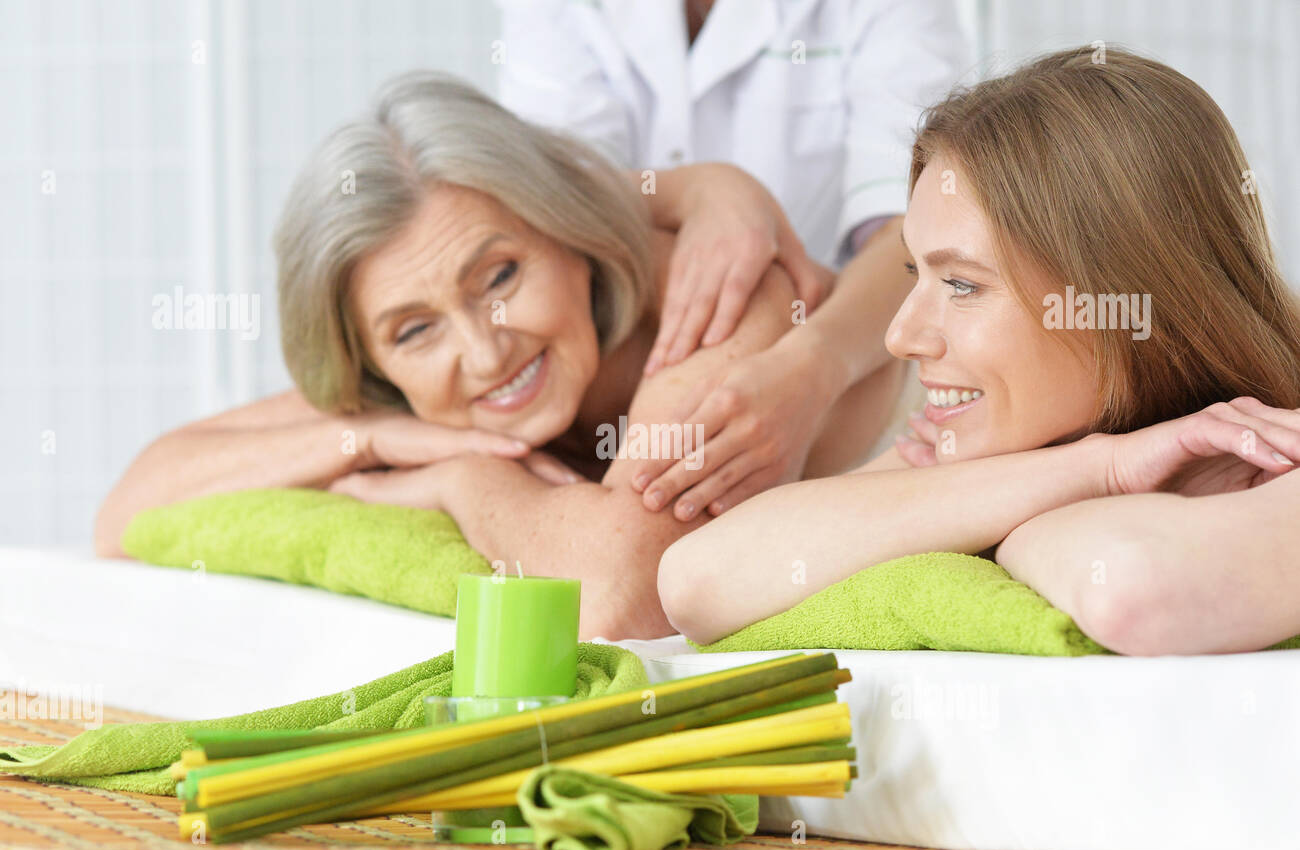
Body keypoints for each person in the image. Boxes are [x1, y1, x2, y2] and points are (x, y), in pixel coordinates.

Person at [95, 73, 887, 640]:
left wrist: (459, 475)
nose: (482, 351)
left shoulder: (712, 296)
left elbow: (620, 592)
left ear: (569, 232)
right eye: (412, 332)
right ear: (373, 360)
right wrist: (364, 439)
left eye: (501, 276)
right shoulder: (412, 374)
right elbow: (127, 513)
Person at [657, 47, 1300, 655]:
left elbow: (1132, 591)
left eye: (962, 284)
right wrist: (1096, 469)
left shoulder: (1272, 451)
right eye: (916, 274)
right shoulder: (1007, 450)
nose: (901, 336)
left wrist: (1080, 484)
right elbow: (696, 579)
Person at [498, 0, 969, 519]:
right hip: (612, 399)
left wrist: (810, 369)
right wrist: (698, 190)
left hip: (841, 362)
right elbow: (545, 198)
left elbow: (915, 236)